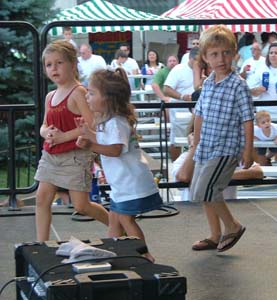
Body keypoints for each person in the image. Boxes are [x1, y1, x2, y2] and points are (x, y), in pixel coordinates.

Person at [76, 68, 163, 262]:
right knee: (114, 219)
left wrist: (91, 145)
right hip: (123, 184)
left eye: (91, 93)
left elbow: (115, 149)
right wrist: (88, 134)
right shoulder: (108, 122)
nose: (87, 97)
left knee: (125, 219)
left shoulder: (116, 123)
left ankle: (144, 254)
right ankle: (113, 250)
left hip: (131, 183)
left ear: (107, 98)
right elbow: (104, 141)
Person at [34, 40, 109, 242]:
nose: (54, 68)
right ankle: (41, 244)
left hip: (75, 155)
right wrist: (46, 133)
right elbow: (44, 125)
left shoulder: (78, 93)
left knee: (81, 205)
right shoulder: (50, 96)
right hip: (51, 154)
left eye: (59, 63)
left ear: (73, 64)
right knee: (42, 199)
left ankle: (115, 223)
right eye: (49, 65)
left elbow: (91, 125)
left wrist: (63, 136)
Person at [191, 25, 254, 252]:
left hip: (225, 148)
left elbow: (247, 119)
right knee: (201, 189)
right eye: (215, 54)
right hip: (206, 146)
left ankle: (232, 225)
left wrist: (248, 150)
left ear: (234, 54)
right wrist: (196, 144)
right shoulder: (208, 83)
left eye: (226, 53)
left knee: (207, 189)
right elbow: (199, 114)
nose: (221, 59)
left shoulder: (239, 85)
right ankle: (215, 234)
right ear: (206, 58)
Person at [172, 116, 264, 204]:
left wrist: (216, 175)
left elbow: (257, 172)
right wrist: (195, 145)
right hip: (194, 210)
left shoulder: (230, 155)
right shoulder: (185, 157)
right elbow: (183, 177)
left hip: (228, 206)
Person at [163, 47, 198, 161]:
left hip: (197, 111)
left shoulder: (204, 69)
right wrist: (182, 97)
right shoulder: (178, 69)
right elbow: (167, 89)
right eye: (197, 60)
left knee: (196, 139)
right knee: (177, 140)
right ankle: (175, 165)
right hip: (180, 110)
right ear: (191, 58)